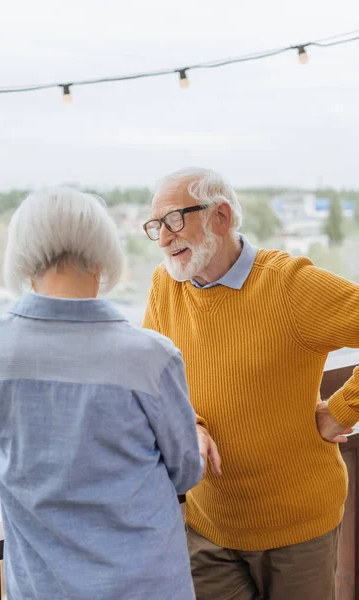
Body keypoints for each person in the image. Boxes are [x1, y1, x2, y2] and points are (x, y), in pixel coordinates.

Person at [0, 187, 203, 600]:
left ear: (23, 254)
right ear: (102, 256)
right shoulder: (149, 356)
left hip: (39, 586)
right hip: (145, 584)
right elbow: (186, 471)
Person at [142, 167, 359, 600]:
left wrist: (343, 409)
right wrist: (192, 425)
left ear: (221, 216)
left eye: (175, 220)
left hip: (299, 526)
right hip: (209, 523)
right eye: (156, 226)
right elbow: (153, 380)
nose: (164, 239)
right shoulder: (166, 285)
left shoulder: (289, 285)